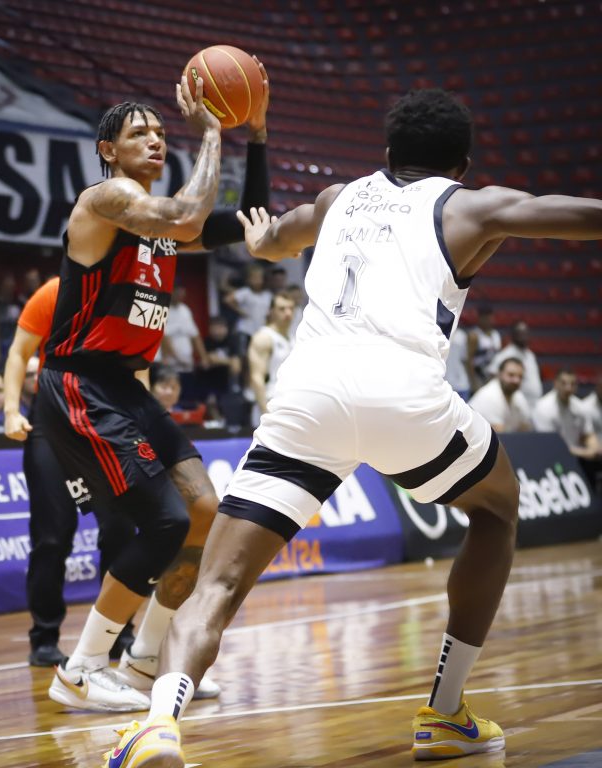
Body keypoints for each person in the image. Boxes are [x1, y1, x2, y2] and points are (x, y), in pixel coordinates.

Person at [105, 87, 602, 766]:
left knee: (218, 581)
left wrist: (262, 236)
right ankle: (444, 712)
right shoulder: (472, 205)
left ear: (388, 152)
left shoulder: (338, 198)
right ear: (461, 164)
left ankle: (158, 725)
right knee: (497, 510)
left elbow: (270, 243)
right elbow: (574, 215)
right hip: (405, 401)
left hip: (308, 400)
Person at [30, 65, 272, 712]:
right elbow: (191, 214)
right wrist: (212, 133)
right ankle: (80, 670)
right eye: (140, 133)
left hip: (125, 387)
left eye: (163, 132)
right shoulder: (106, 199)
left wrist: (256, 134)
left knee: (204, 511)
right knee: (165, 522)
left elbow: (252, 222)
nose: (157, 140)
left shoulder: (159, 226)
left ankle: (143, 661)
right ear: (108, 150)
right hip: (78, 382)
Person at [4, 277, 134, 667]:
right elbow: (18, 352)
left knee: (120, 529)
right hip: (51, 423)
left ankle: (116, 633)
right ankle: (44, 637)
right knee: (52, 536)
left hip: (103, 425)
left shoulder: (125, 294)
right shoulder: (53, 293)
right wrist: (10, 410)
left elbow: (135, 365)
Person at [245, 290, 296, 427]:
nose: (288, 313)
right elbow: (256, 377)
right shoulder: (263, 337)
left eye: (291, 308)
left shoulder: (294, 339)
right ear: (271, 311)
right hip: (271, 404)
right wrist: (265, 412)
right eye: (282, 309)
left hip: (292, 404)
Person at [533, 369, 601, 464]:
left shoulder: (580, 406)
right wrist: (584, 452)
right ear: (555, 384)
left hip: (577, 457)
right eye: (563, 383)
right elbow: (549, 444)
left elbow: (588, 434)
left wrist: (594, 448)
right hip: (550, 457)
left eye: (572, 384)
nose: (568, 388)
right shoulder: (543, 407)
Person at [487, 321, 543, 408]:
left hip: (535, 403)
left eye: (525, 333)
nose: (524, 336)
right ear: (513, 335)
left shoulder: (530, 354)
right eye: (520, 333)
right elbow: (492, 374)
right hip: (515, 404)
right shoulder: (505, 354)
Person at [468, 357, 532, 432]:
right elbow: (500, 435)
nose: (516, 380)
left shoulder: (518, 395)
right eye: (511, 375)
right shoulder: (489, 396)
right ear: (499, 374)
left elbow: (526, 427)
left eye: (520, 376)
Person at [158, 283, 208, 373]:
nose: (180, 295)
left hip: (187, 363)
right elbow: (163, 337)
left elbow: (195, 335)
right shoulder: (162, 308)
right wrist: (178, 359)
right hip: (170, 363)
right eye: (177, 292)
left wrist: (203, 357)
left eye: (182, 292)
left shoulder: (185, 310)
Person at [466, 304, 500, 393]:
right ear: (480, 318)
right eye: (486, 318)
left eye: (490, 317)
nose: (489, 320)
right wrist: (474, 383)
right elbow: (469, 361)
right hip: (479, 376)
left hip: (492, 376)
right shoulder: (474, 335)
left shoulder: (496, 335)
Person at [445, 326, 472, 401]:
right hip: (445, 384)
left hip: (461, 384)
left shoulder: (462, 335)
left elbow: (465, 359)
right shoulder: (437, 334)